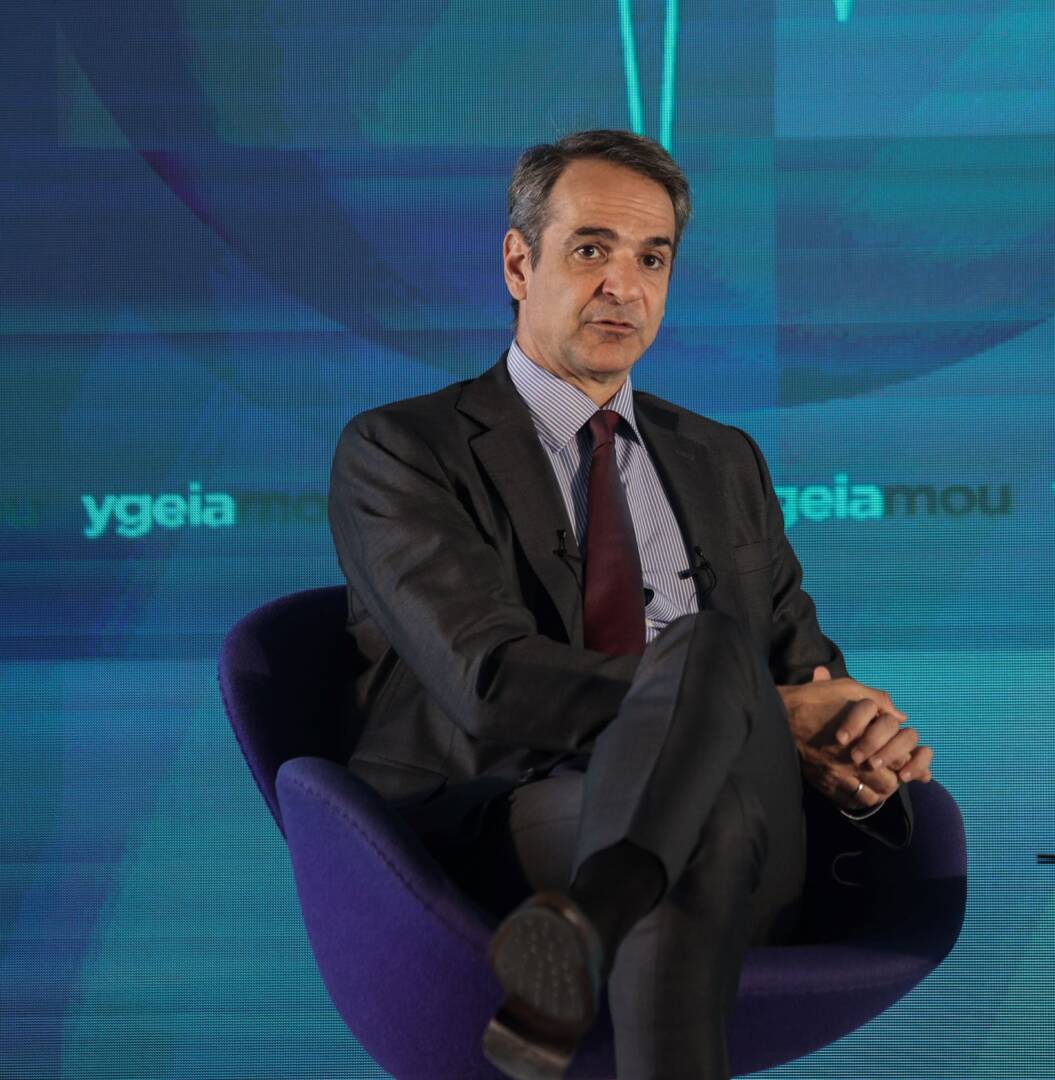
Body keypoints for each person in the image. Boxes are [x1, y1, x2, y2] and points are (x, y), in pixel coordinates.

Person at [327, 130, 934, 1080]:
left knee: (711, 686)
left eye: (652, 259)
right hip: (517, 812)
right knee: (705, 701)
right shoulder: (404, 449)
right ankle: (602, 906)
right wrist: (757, 709)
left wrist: (862, 744)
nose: (625, 286)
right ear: (519, 264)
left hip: (747, 830)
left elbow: (808, 671)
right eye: (591, 250)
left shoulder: (723, 460)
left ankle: (590, 919)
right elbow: (488, 680)